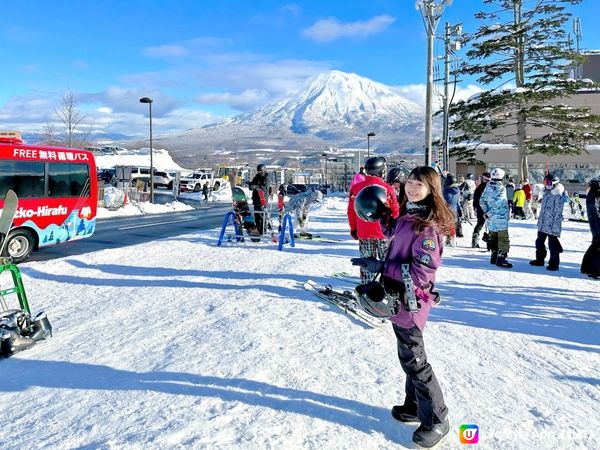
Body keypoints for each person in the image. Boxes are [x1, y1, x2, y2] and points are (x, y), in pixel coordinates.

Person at [366, 166, 454, 448]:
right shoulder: (410, 214)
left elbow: (421, 273)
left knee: (416, 362)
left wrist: (382, 266)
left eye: (420, 183)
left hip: (411, 302)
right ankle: (414, 406)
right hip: (398, 300)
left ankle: (437, 420)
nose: (412, 187)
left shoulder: (427, 226)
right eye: (410, 182)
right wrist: (382, 219)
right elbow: (396, 235)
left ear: (431, 189)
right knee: (407, 356)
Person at [347, 156, 400, 283]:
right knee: (386, 263)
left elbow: (351, 211)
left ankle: (367, 289)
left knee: (367, 264)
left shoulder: (356, 188)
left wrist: (354, 229)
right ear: (381, 171)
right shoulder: (387, 188)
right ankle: (387, 287)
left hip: (364, 232)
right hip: (384, 233)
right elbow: (395, 211)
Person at [529, 173, 565, 271]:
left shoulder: (558, 195)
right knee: (539, 242)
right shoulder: (546, 193)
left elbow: (558, 213)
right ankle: (539, 259)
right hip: (543, 223)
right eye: (545, 182)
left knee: (552, 244)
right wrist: (540, 222)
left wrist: (555, 227)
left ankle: (554, 263)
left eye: (548, 182)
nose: (546, 184)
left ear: (555, 183)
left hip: (553, 224)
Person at [480, 168, 513, 268]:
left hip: (491, 219)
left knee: (493, 237)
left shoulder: (487, 186)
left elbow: (482, 201)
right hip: (500, 217)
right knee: (503, 238)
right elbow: (499, 202)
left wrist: (487, 212)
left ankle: (493, 257)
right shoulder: (501, 188)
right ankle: (501, 259)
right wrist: (490, 212)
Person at [581, 178, 600, 279]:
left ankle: (586, 267)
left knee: (596, 244)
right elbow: (594, 212)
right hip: (596, 222)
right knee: (598, 246)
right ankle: (595, 271)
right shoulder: (594, 194)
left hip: (596, 222)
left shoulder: (595, 193)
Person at [472, 172, 490, 248]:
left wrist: (475, 206)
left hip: (480, 208)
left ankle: (475, 239)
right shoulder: (491, 187)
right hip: (489, 208)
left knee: (480, 223)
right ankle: (489, 242)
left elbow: (475, 197)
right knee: (490, 225)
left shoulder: (480, 187)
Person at [442, 173, 463, 243]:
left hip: (446, 210)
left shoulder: (446, 191)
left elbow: (443, 200)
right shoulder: (458, 190)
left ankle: (447, 240)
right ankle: (452, 240)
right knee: (452, 226)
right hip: (454, 210)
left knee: (445, 226)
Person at [250, 164, 270, 234]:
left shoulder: (267, 177)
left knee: (262, 216)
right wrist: (252, 186)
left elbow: (265, 188)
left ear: (264, 170)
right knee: (257, 216)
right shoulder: (257, 177)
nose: (259, 173)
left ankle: (263, 231)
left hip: (263, 199)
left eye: (261, 171)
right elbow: (252, 185)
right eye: (258, 171)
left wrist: (256, 186)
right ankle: (258, 230)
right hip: (256, 199)